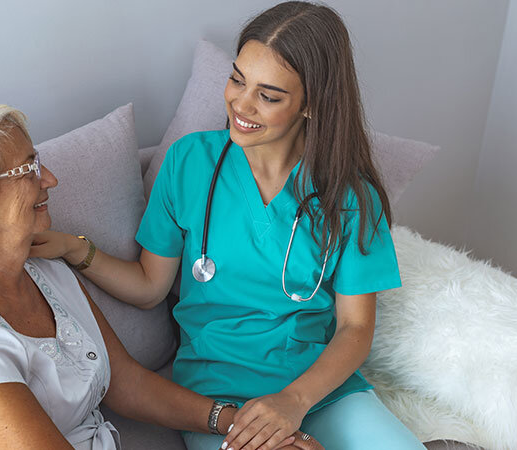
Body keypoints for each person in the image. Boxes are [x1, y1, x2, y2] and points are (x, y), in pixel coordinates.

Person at [31, 2, 427, 450]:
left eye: (269, 95)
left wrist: (294, 401)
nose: (241, 103)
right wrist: (73, 248)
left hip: (319, 391)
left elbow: (355, 328)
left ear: (312, 104)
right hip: (216, 396)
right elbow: (148, 286)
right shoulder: (189, 163)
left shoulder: (350, 197)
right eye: (238, 78)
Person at [0, 96, 321, 450]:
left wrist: (242, 424)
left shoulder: (38, 264)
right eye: (27, 170)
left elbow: (127, 384)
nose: (50, 179)